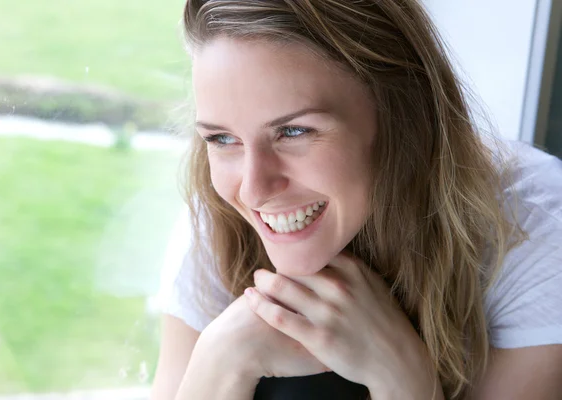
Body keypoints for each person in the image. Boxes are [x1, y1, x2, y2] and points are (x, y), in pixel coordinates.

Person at [151, 1, 562, 399]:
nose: (253, 190)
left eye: (294, 131)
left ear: (403, 114)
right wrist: (221, 360)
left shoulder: (534, 229)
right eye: (222, 139)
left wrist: (403, 378)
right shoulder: (220, 213)